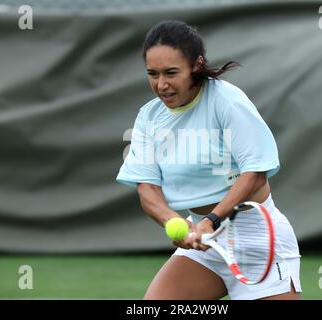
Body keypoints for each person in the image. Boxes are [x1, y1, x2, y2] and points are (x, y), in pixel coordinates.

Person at [116, 20, 302, 300]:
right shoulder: (149, 116)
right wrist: (173, 224)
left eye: (171, 73)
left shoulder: (227, 101)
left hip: (257, 241)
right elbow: (147, 187)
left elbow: (255, 173)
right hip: (203, 245)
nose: (161, 84)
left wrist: (211, 222)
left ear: (196, 65)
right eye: (152, 74)